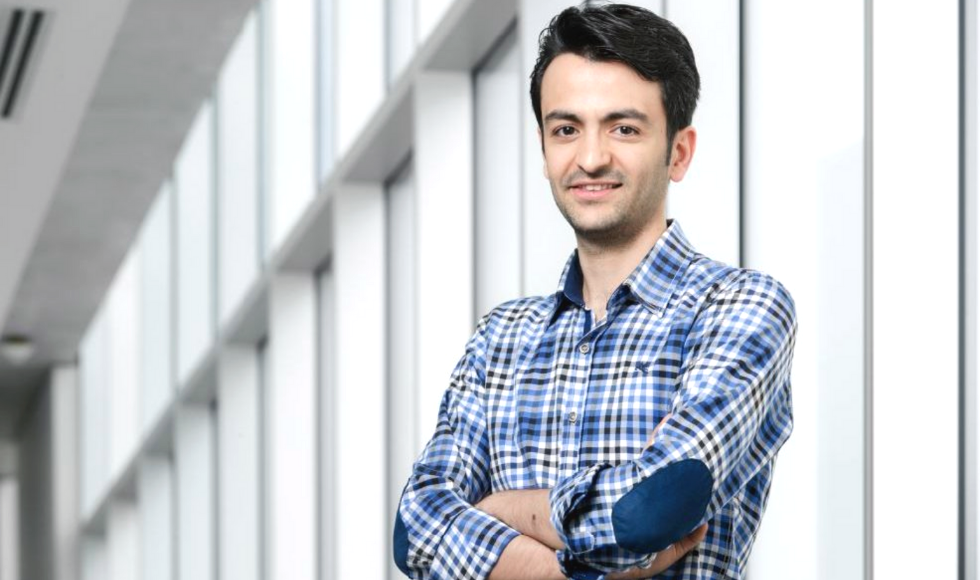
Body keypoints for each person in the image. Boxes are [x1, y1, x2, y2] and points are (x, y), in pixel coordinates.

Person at [393, 4, 797, 579]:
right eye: (566, 129)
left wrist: (500, 513)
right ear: (544, 148)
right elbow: (416, 529)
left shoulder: (741, 308)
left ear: (678, 151)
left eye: (623, 128)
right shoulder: (501, 338)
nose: (590, 158)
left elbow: (651, 507)